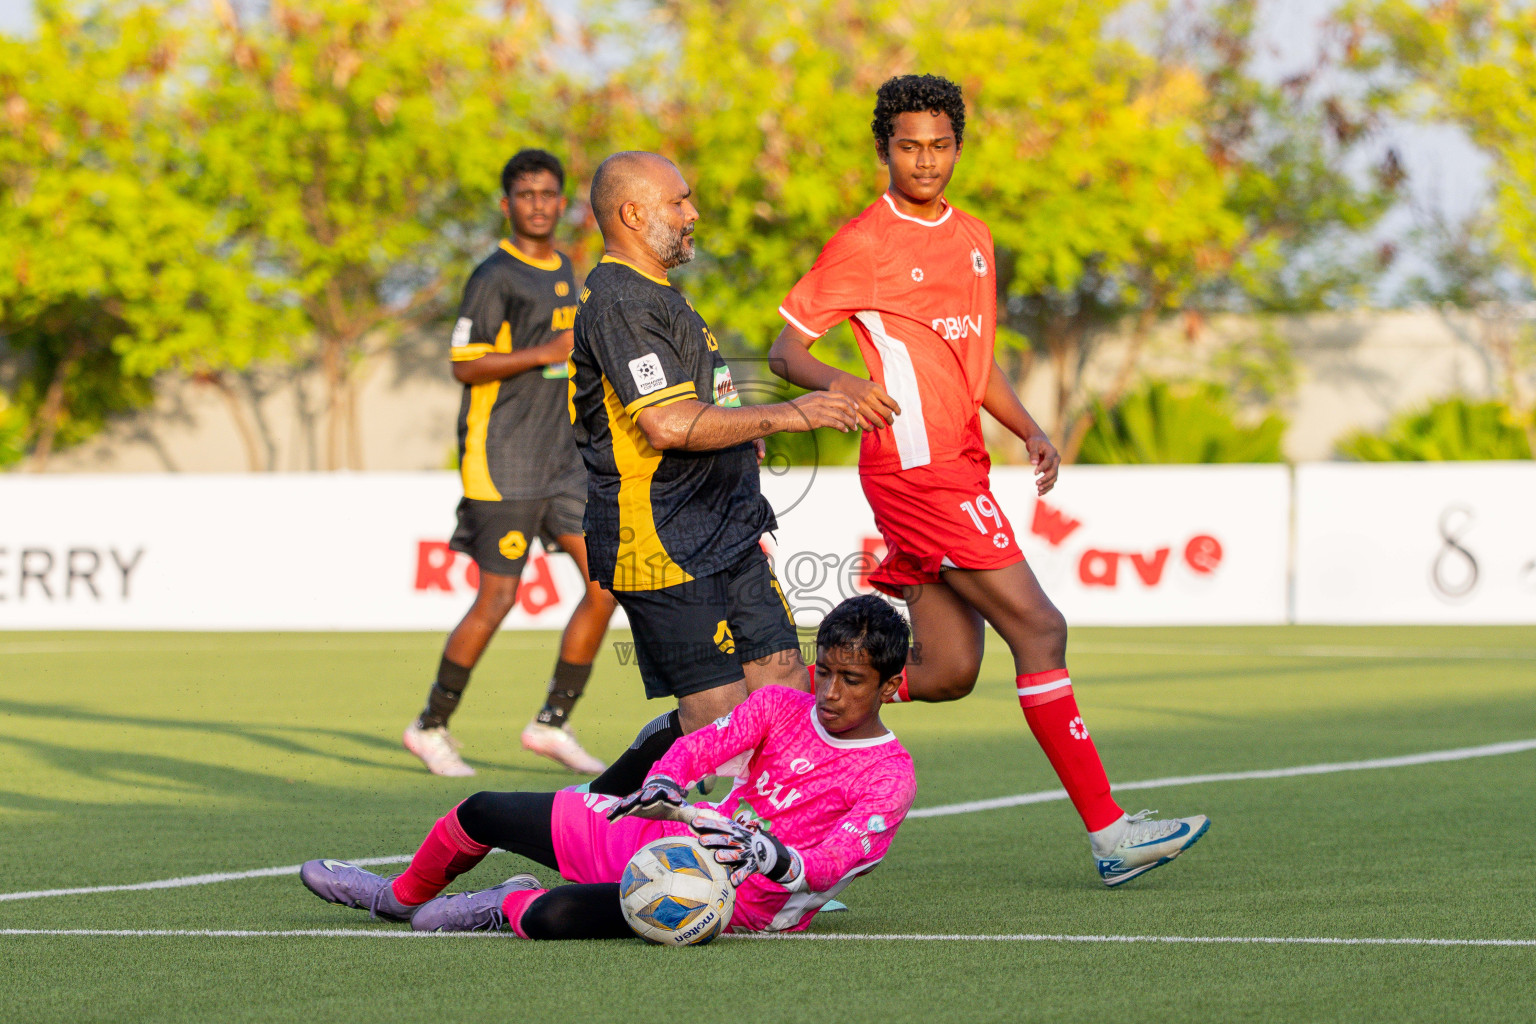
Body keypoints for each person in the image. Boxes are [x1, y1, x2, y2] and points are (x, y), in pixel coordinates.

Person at [768, 75, 1209, 887]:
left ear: (958, 147)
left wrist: (1030, 426)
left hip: (961, 461)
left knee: (945, 672)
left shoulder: (974, 237)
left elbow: (971, 364)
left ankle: (773, 710)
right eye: (909, 146)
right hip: (915, 468)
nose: (925, 160)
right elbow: (783, 353)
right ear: (884, 149)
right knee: (1040, 631)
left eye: (939, 145)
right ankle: (1112, 834)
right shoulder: (864, 241)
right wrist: (842, 386)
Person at [300, 595, 916, 938]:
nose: (831, 692)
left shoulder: (890, 776)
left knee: (548, 917)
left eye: (852, 680)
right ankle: (396, 899)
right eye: (826, 672)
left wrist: (774, 858)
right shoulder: (784, 703)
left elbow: (837, 860)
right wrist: (667, 780)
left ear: (890, 686)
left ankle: (509, 902)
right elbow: (706, 743)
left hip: (731, 901)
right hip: (675, 836)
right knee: (483, 810)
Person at [560, 150, 861, 798]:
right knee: (719, 731)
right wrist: (789, 415)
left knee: (782, 698)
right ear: (634, 213)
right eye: (680, 202)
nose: (694, 214)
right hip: (662, 540)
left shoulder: (658, 294)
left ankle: (769, 864)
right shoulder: (618, 301)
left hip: (726, 530)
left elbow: (699, 409)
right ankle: (678, 860)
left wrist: (736, 441)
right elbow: (666, 424)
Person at [404, 149, 617, 778]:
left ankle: (552, 721)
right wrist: (541, 351)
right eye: (525, 194)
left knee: (607, 584)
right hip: (502, 459)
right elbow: (464, 364)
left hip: (563, 461)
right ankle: (431, 725)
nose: (538, 204)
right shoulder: (493, 275)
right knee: (498, 597)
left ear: (563, 202)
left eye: (549, 193)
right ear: (507, 204)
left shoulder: (569, 267)